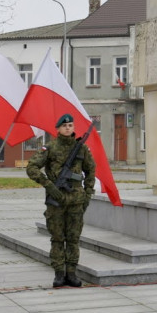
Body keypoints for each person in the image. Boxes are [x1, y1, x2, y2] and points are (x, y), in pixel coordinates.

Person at [26, 114, 96, 288]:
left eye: (71, 125)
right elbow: (31, 168)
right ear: (58, 128)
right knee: (57, 238)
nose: (68, 128)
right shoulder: (50, 148)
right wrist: (49, 186)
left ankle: (71, 273)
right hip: (56, 201)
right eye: (64, 126)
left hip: (76, 200)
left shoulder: (81, 149)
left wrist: (87, 195)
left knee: (73, 238)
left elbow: (91, 171)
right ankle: (58, 273)